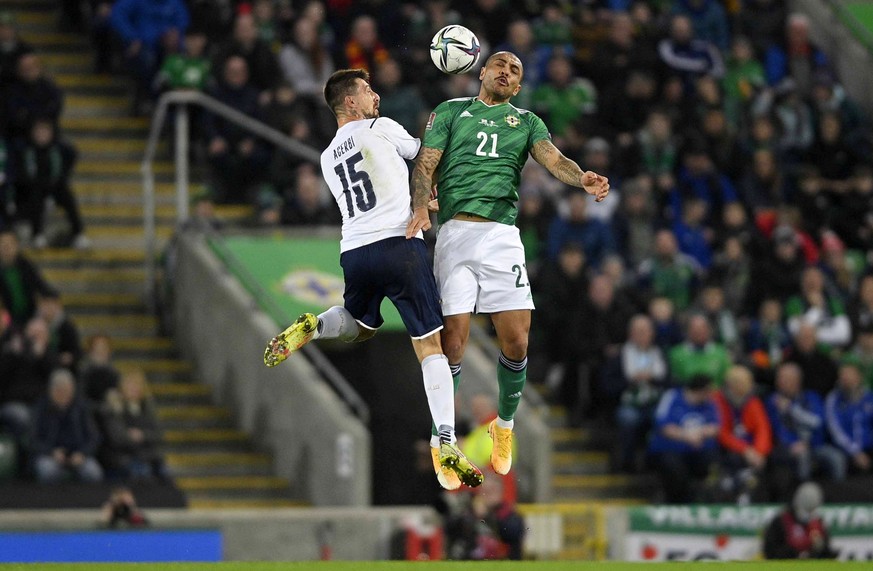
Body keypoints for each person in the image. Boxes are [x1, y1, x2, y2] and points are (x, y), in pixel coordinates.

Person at [263, 69, 482, 492]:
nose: (375, 95)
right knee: (429, 346)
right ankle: (447, 442)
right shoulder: (381, 127)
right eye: (366, 91)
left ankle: (315, 325)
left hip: (355, 251)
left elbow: (380, 186)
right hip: (400, 245)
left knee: (360, 324)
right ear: (349, 103)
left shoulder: (327, 156)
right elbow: (427, 158)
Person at [405, 51, 609, 477]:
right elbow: (426, 161)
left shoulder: (528, 122)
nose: (505, 71)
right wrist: (421, 206)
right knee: (453, 345)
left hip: (501, 238)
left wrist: (582, 178)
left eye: (515, 70)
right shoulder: (450, 111)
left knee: (516, 343)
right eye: (499, 64)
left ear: (518, 87)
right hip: (455, 235)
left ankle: (505, 424)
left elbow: (554, 159)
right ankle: (441, 441)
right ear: (481, 72)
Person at [762, 481, 837, 559]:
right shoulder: (781, 522)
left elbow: (826, 552)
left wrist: (820, 548)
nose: (808, 517)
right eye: (807, 511)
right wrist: (795, 553)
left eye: (811, 511)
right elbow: (770, 552)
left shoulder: (818, 523)